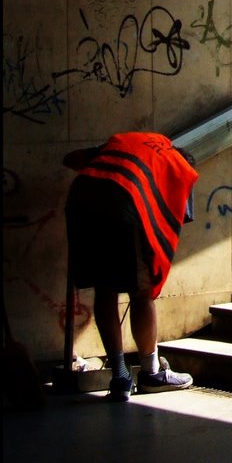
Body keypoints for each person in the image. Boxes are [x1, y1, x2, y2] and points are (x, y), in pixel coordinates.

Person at [63, 131, 199, 402]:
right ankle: (151, 373)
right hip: (124, 201)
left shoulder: (129, 140)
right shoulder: (179, 168)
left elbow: (71, 159)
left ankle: (120, 377)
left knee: (105, 289)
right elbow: (175, 221)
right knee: (142, 293)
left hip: (81, 197)